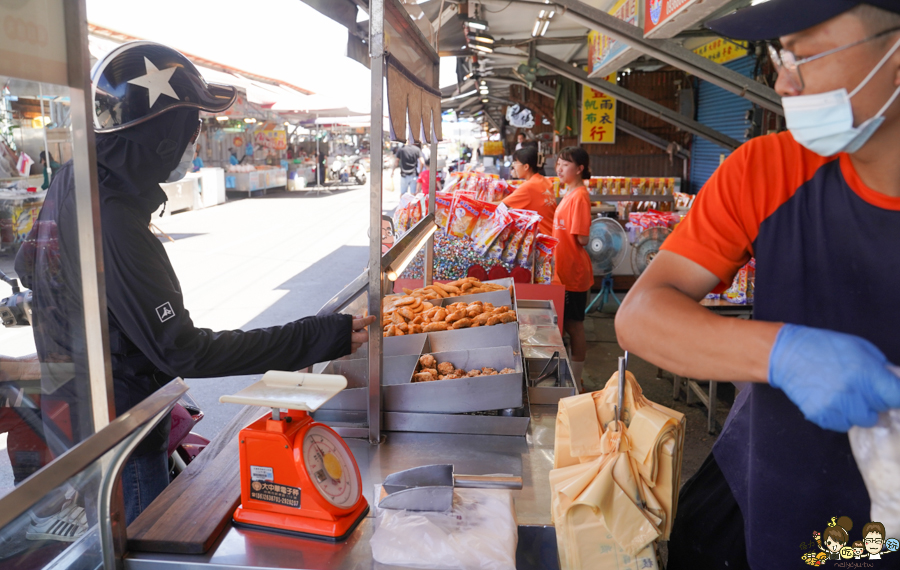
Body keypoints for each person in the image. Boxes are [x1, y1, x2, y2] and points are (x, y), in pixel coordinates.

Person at [15, 41, 375, 526]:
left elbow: (26, 263)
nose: (196, 139)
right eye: (192, 125)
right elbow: (183, 351)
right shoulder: (114, 219)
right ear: (163, 135)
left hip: (83, 411)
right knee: (144, 537)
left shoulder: (74, 178)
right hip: (123, 429)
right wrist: (314, 335)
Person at [614, 2, 900, 569]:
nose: (785, 81)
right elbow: (641, 314)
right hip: (770, 504)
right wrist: (783, 353)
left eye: (810, 54)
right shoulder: (766, 172)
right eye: (781, 54)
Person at [552, 147, 593, 394]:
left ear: (579, 168)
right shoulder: (569, 193)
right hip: (563, 271)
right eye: (558, 164)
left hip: (574, 272)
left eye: (565, 164)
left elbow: (583, 239)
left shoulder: (579, 196)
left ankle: (577, 383)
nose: (559, 169)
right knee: (567, 324)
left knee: (574, 326)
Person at [503, 145, 556, 235]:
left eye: (515, 163)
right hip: (552, 234)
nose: (514, 167)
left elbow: (502, 206)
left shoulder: (529, 186)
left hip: (542, 240)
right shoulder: (545, 181)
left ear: (526, 167)